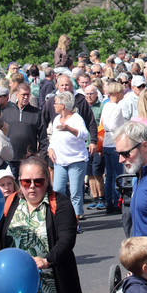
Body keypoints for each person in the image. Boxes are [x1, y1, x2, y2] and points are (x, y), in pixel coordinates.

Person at [0, 156, 90, 293]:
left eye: (38, 181)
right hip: (16, 287)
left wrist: (47, 260)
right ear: (19, 181)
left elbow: (67, 239)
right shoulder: (10, 202)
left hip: (51, 289)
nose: (32, 187)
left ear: (47, 180)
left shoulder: (60, 203)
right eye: (26, 182)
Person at [48, 91, 88, 222]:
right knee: (58, 189)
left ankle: (76, 219)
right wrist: (50, 148)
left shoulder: (76, 118)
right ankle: (61, 216)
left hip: (76, 159)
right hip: (60, 160)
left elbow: (84, 135)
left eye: (56, 103)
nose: (54, 105)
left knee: (75, 192)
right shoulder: (55, 119)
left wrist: (70, 129)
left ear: (63, 105)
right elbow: (54, 138)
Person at [2, 83, 40, 179]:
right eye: (23, 95)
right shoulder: (7, 112)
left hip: (29, 157)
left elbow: (42, 136)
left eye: (28, 95)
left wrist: (41, 154)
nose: (26, 97)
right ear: (17, 95)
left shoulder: (36, 113)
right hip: (11, 157)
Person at [102, 82, 127, 213]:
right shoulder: (117, 108)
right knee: (117, 175)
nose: (123, 94)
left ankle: (108, 202)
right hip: (113, 143)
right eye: (122, 92)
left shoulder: (106, 105)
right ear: (117, 93)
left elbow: (105, 123)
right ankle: (117, 202)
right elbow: (112, 125)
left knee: (110, 175)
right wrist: (121, 132)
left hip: (106, 142)